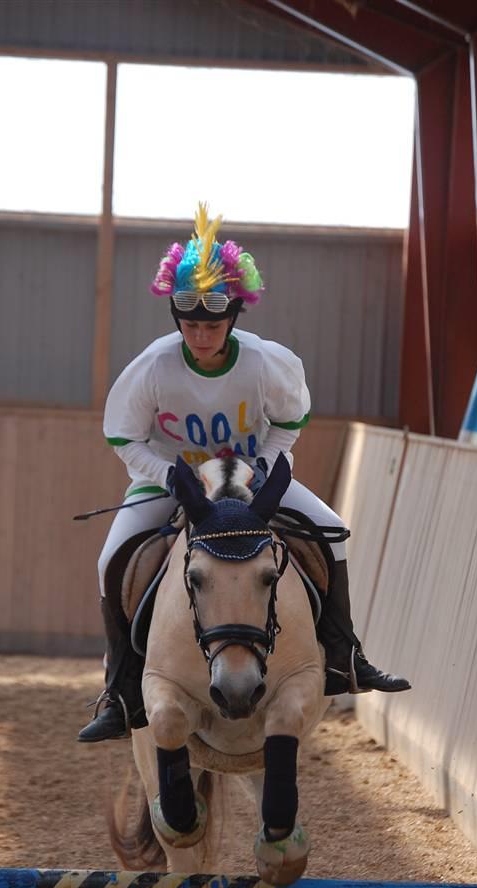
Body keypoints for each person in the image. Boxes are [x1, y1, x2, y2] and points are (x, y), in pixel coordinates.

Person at [79, 205, 410, 743]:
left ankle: (344, 655)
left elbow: (289, 423)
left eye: (212, 325)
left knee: (332, 531)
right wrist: (168, 475)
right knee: (109, 559)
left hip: (248, 481)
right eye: (190, 325)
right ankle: (119, 690)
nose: (200, 336)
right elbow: (123, 438)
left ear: (232, 319)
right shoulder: (155, 366)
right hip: (172, 483)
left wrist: (263, 468)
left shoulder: (262, 362)